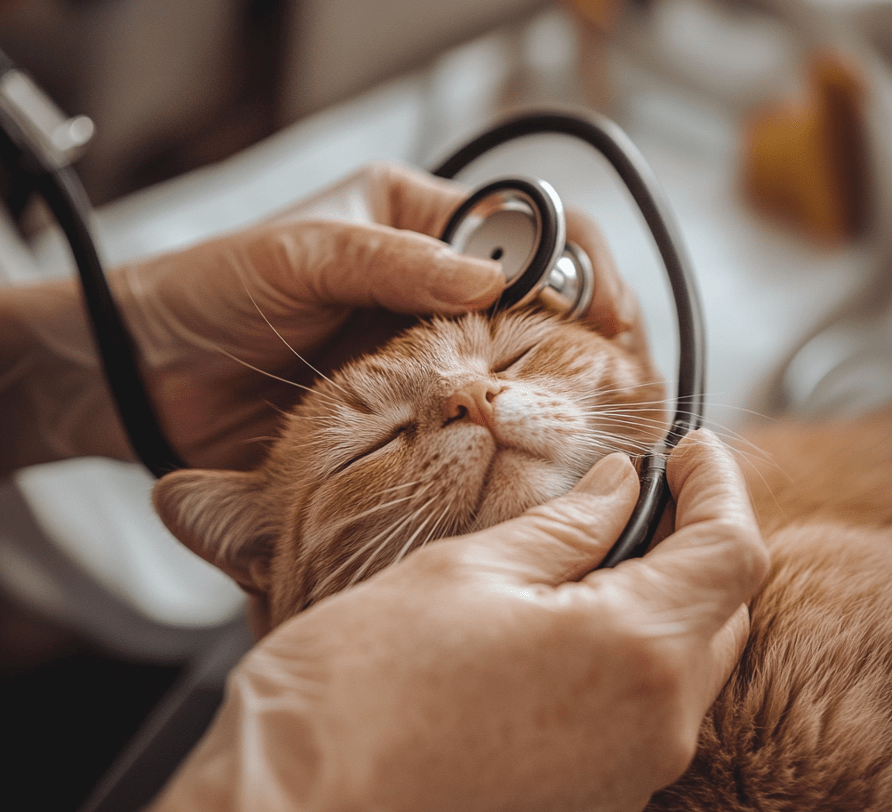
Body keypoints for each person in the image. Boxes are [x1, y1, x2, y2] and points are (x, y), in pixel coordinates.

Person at [0, 162, 768, 810]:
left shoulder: (774, 593)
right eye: (372, 441)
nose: (468, 398)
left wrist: (94, 356)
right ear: (266, 559)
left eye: (516, 354)